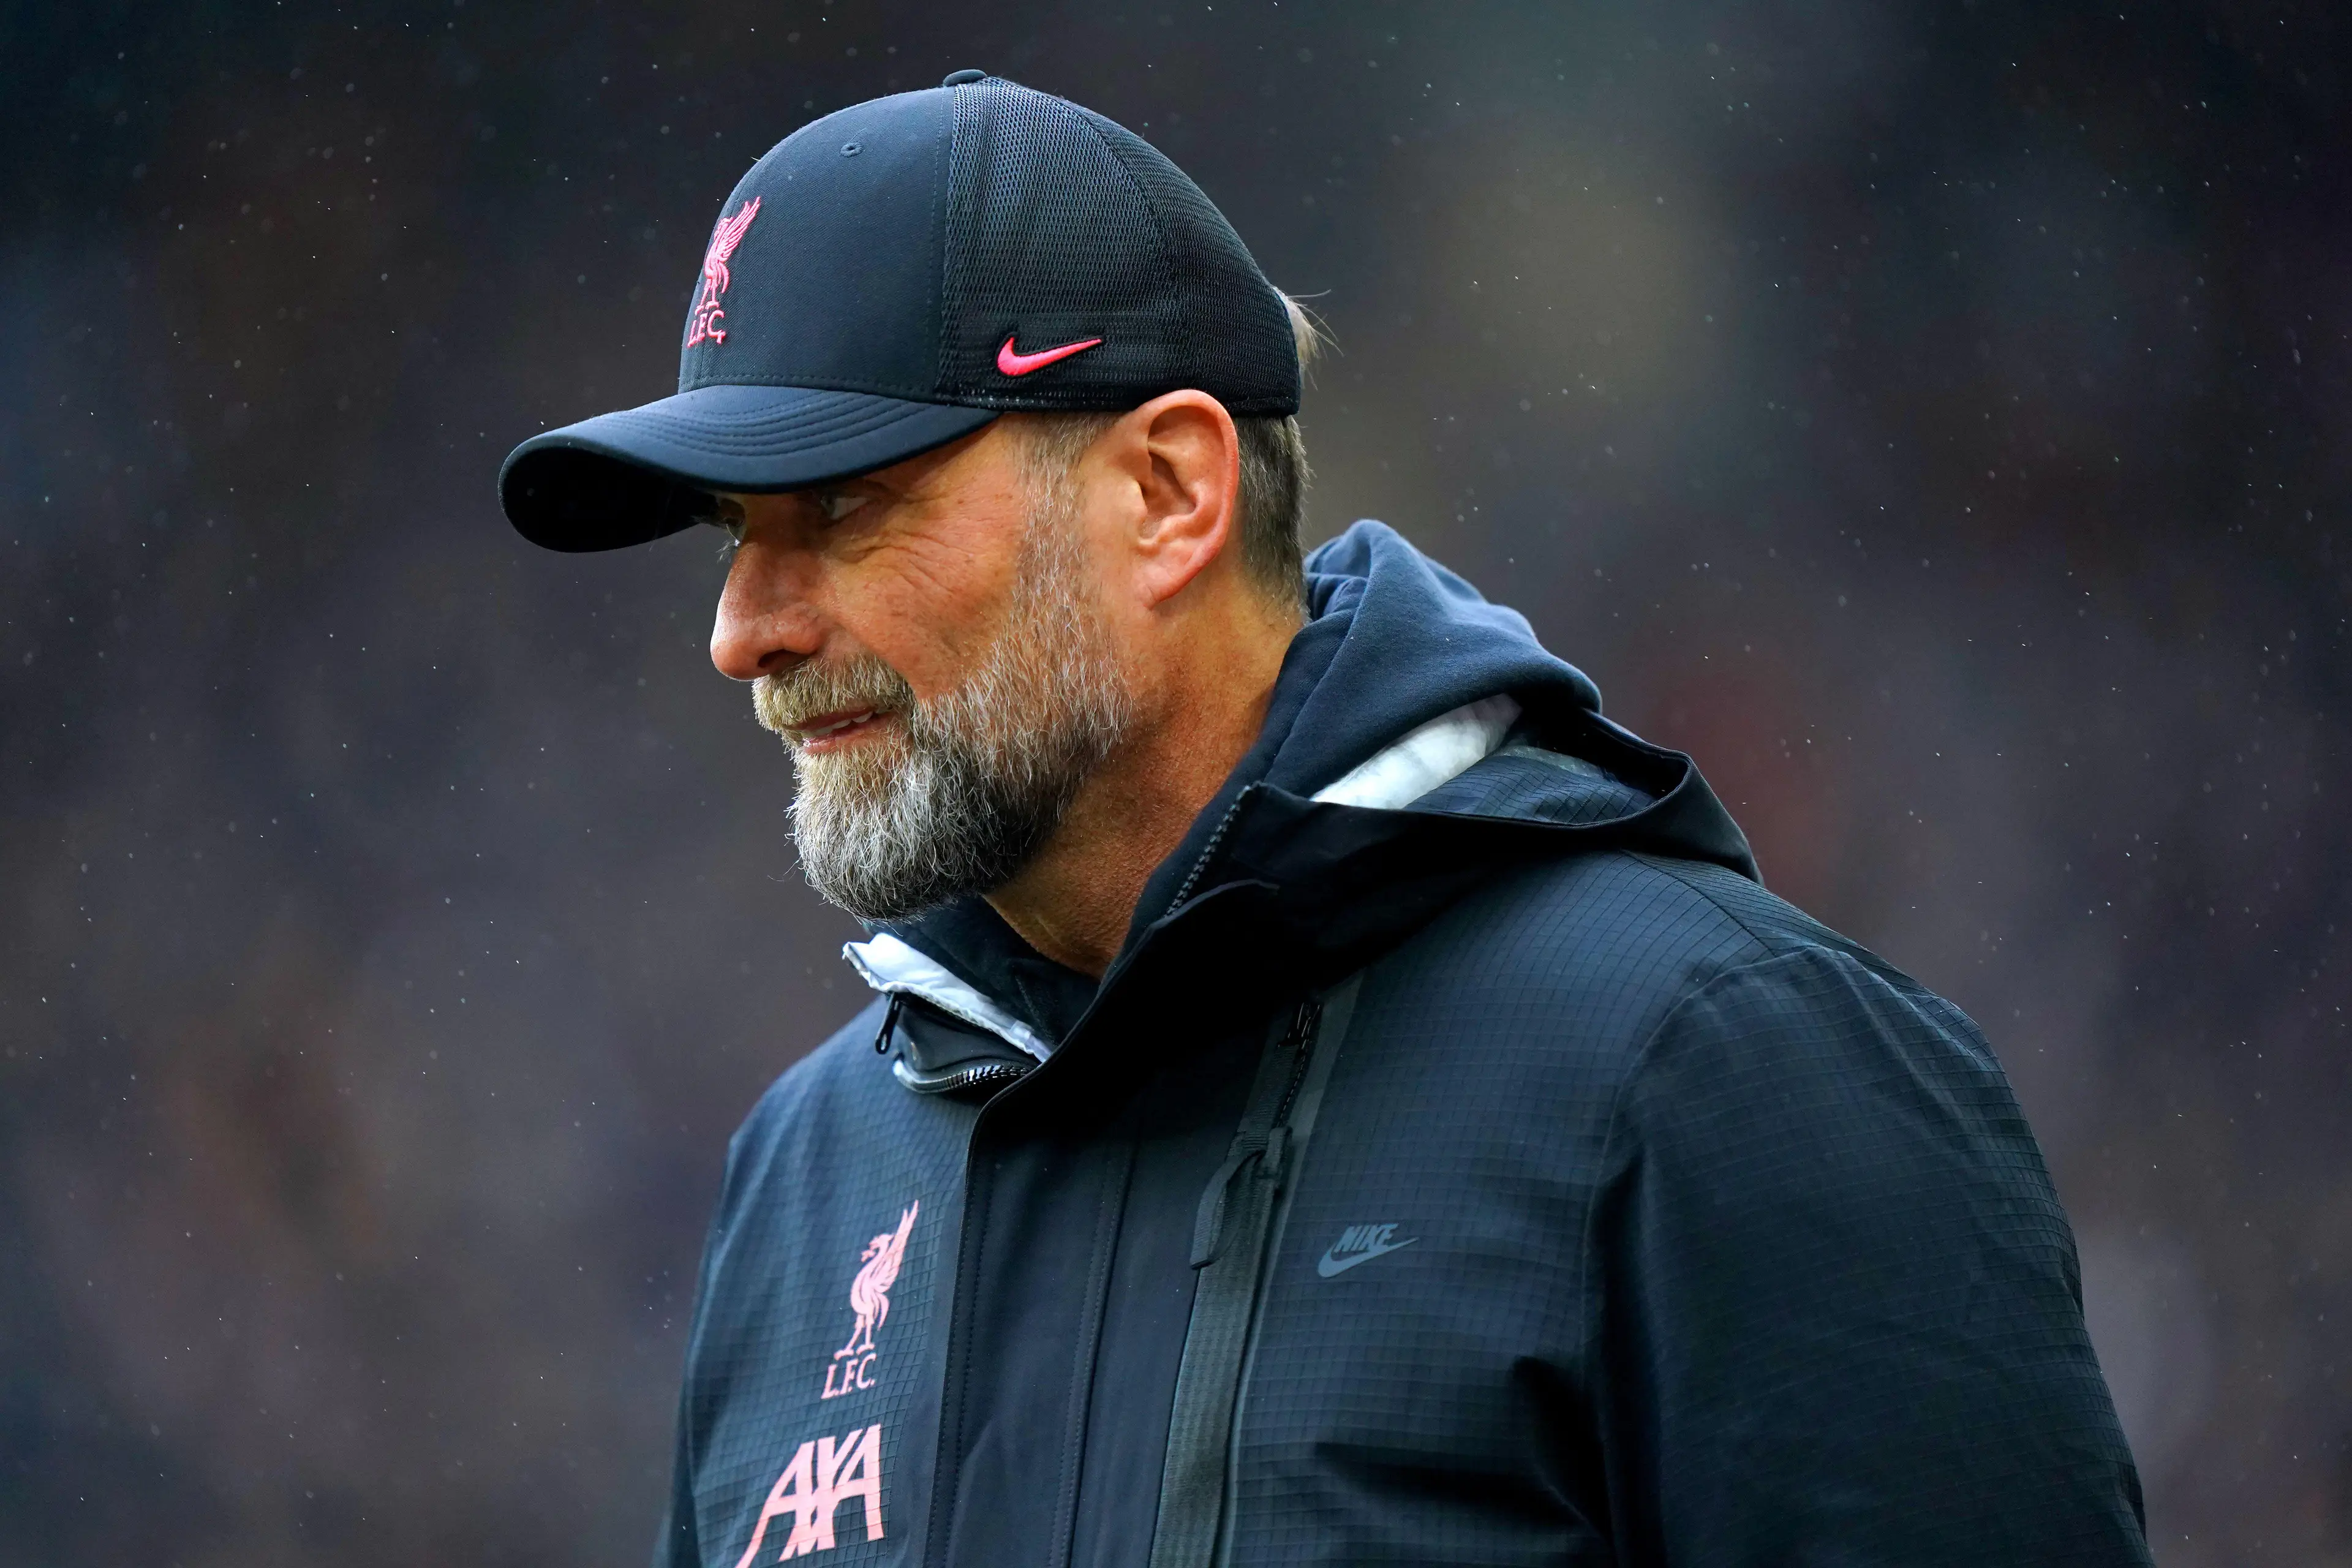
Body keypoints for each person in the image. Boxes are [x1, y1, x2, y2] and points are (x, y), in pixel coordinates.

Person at [500, 72, 2152, 1568]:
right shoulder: (806, 1175)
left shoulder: (1723, 1070)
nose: (744, 630)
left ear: (1169, 494)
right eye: (733, 535)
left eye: (846, 508)